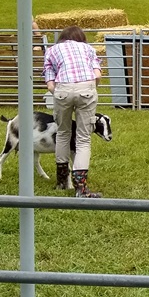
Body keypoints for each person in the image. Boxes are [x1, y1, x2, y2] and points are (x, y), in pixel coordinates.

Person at [42, 25, 102, 197]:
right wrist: (91, 90)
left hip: (62, 89)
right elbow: (97, 75)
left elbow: (50, 83)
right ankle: (81, 189)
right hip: (86, 89)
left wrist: (61, 94)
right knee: (83, 139)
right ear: (81, 38)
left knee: (62, 133)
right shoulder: (88, 49)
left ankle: (62, 181)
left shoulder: (52, 50)